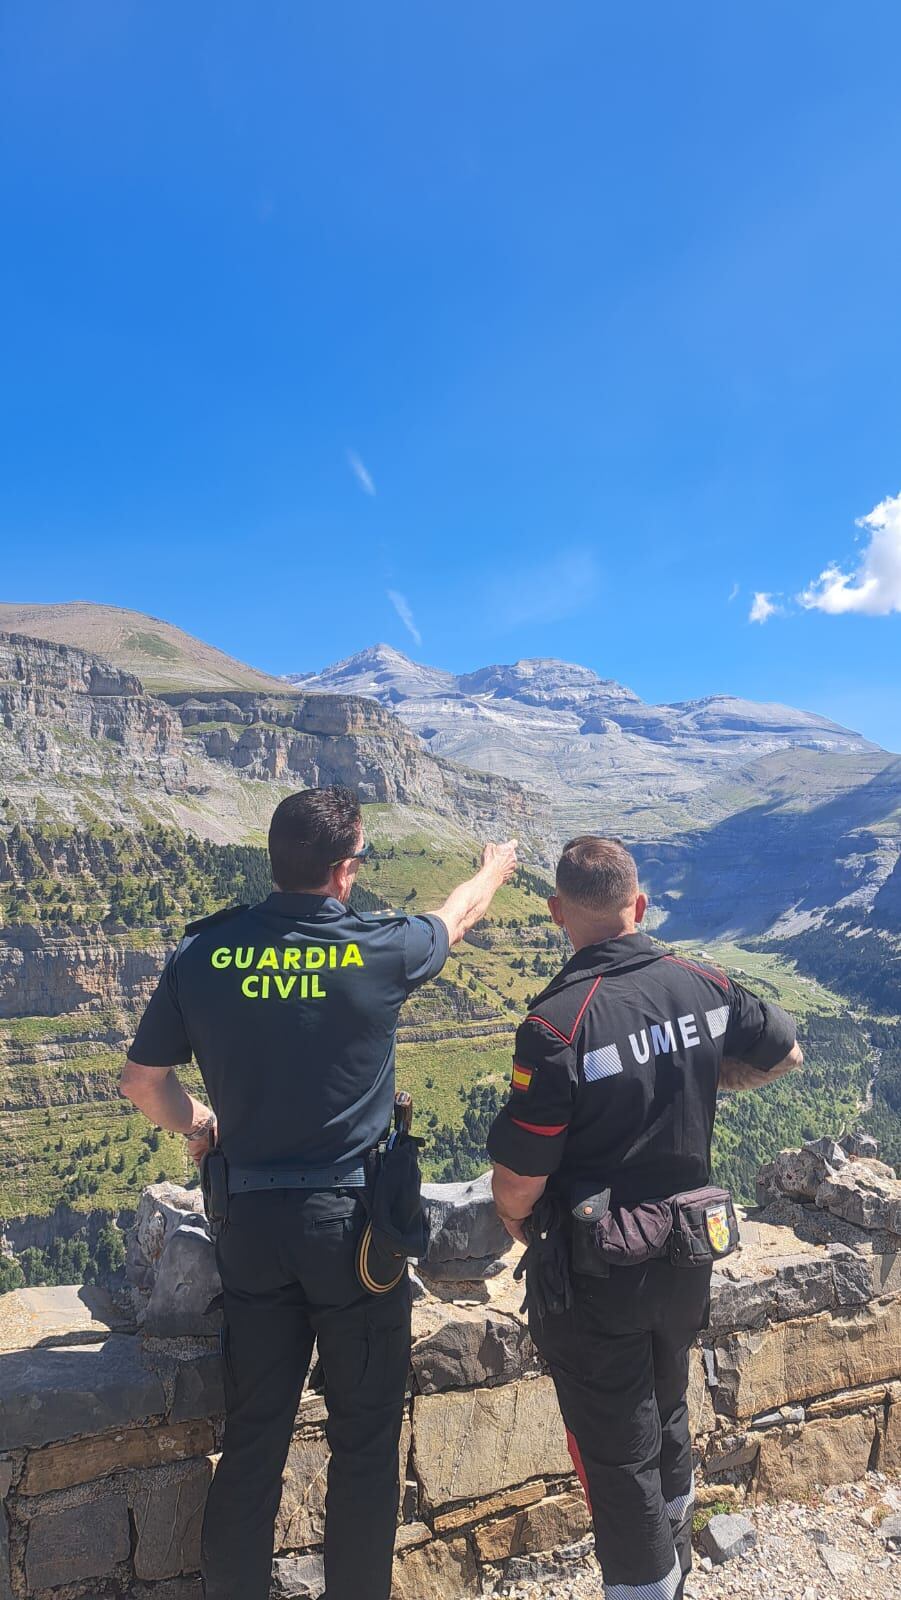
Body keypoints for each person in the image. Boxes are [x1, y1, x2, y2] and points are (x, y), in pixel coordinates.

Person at [120, 785, 517, 1600]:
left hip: (251, 1224)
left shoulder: (206, 953)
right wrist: (494, 869)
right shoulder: (380, 948)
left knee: (256, 1434)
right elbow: (460, 916)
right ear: (344, 872)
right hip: (354, 1235)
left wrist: (201, 1119)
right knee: (365, 1440)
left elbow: (140, 1082)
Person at [487, 836, 802, 1600]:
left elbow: (521, 1179)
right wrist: (692, 1080)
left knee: (613, 1454)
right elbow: (784, 1056)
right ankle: (678, 1564)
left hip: (599, 1274)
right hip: (687, 1257)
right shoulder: (701, 983)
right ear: (640, 904)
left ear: (558, 911)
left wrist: (514, 1223)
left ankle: (647, 1588)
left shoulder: (557, 1024)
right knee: (665, 1415)